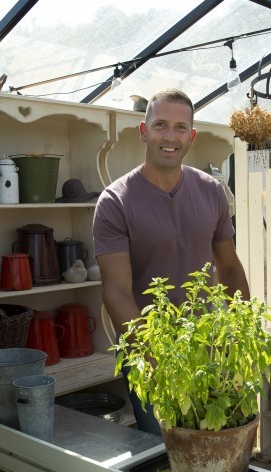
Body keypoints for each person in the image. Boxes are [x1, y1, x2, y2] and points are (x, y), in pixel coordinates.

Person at [93, 88, 249, 435]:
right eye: (161, 125)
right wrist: (157, 360)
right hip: (149, 353)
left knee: (214, 443)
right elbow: (116, 293)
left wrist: (237, 333)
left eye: (180, 128)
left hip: (209, 345)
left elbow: (230, 266)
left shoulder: (211, 191)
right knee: (163, 452)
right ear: (143, 131)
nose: (170, 136)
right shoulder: (116, 201)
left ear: (191, 137)